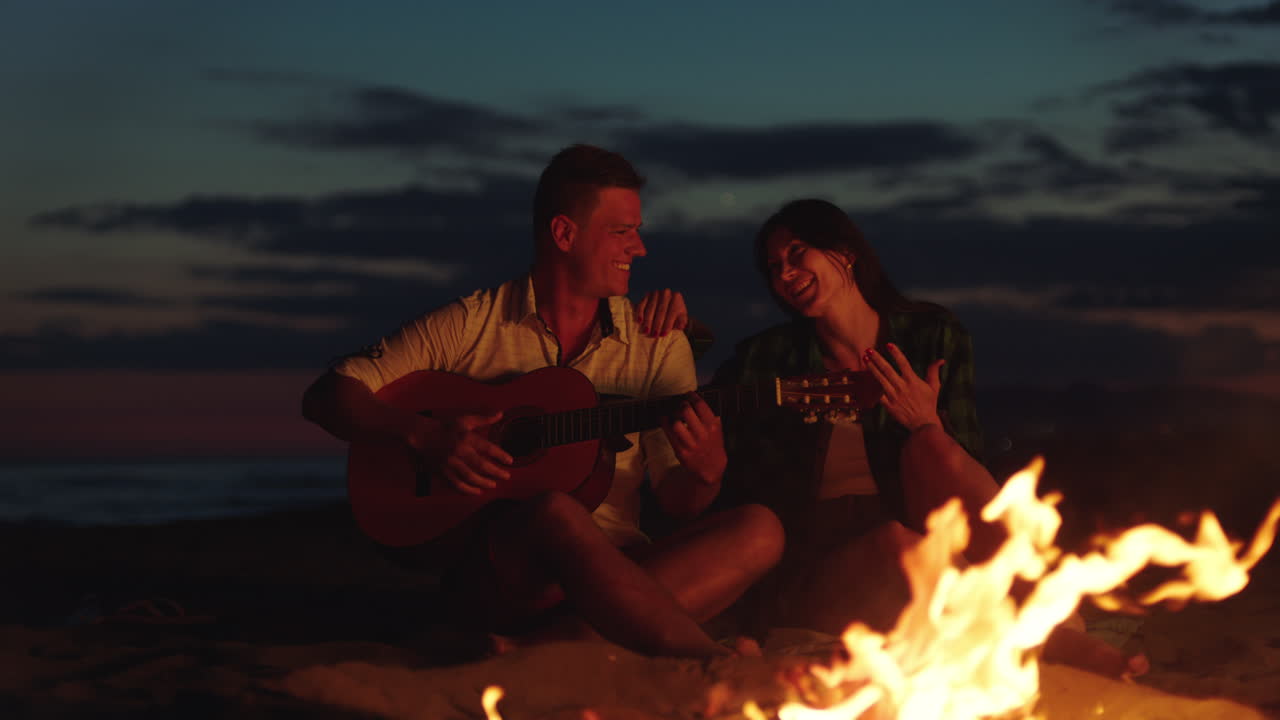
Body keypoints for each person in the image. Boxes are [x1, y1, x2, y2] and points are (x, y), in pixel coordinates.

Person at [301, 145, 783, 659]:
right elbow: (328, 395)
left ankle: (540, 649)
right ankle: (706, 661)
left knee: (761, 529)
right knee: (555, 509)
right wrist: (426, 436)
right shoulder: (472, 323)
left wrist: (707, 470)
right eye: (622, 231)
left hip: (625, 568)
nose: (639, 249)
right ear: (564, 234)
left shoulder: (658, 342)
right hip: (510, 572)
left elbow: (678, 501)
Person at [709, 198, 1146, 676]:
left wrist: (926, 421)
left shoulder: (930, 335)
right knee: (899, 543)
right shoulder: (767, 359)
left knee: (931, 446)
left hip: (926, 528)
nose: (786, 274)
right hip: (823, 565)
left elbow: (962, 475)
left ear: (845, 251)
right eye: (774, 268)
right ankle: (1047, 637)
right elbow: (745, 485)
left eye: (797, 253)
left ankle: (1042, 612)